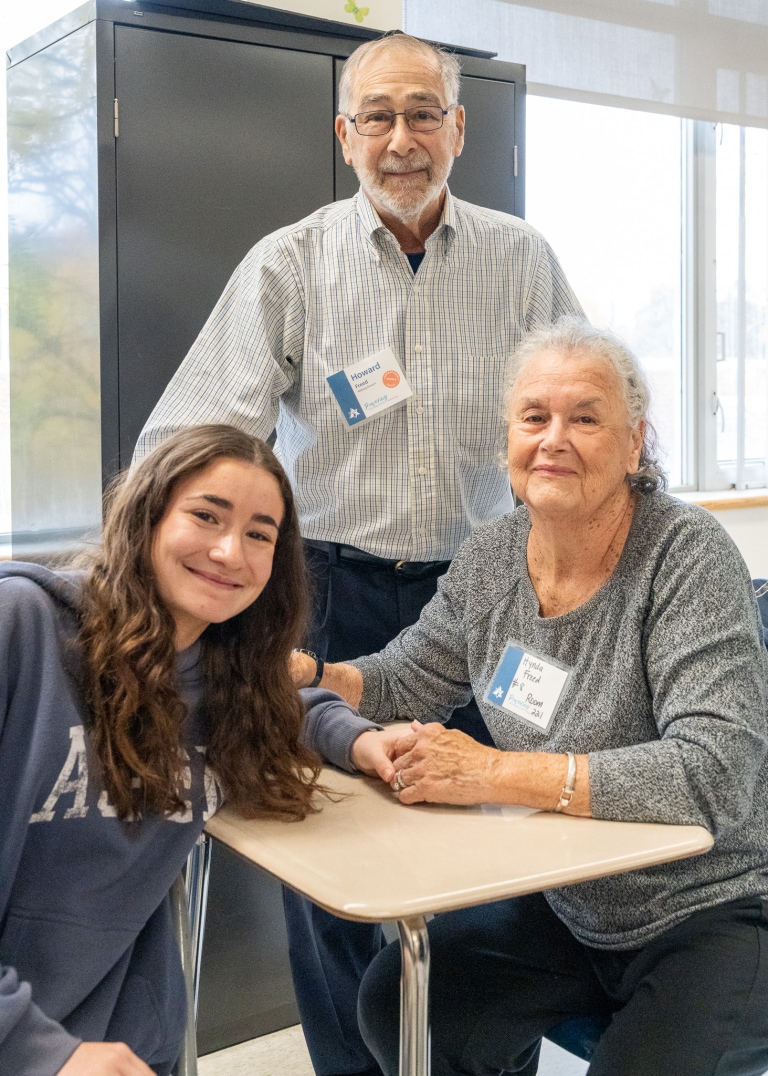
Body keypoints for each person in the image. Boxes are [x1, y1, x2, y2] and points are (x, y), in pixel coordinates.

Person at [133, 32, 583, 1075]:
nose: (401, 138)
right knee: (331, 865)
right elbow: (192, 439)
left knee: (495, 852)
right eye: (377, 116)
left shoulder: (522, 260)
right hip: (328, 596)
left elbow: (585, 412)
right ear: (344, 135)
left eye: (423, 113)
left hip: (486, 597)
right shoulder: (291, 262)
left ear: (459, 128)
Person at [301, 319, 768, 1076]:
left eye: (585, 418)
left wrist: (492, 773)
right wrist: (309, 673)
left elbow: (713, 774)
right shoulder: (492, 555)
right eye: (534, 417)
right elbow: (404, 679)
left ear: (634, 443)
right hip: (574, 900)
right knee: (403, 1003)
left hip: (717, 906)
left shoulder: (686, 556)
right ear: (509, 441)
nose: (554, 439)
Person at [0, 424, 401, 1076]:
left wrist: (358, 738)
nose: (228, 551)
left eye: (259, 535)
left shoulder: (223, 679)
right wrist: (41, 1052)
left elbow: (285, 705)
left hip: (122, 1046)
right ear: (148, 515)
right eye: (206, 516)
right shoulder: (22, 624)